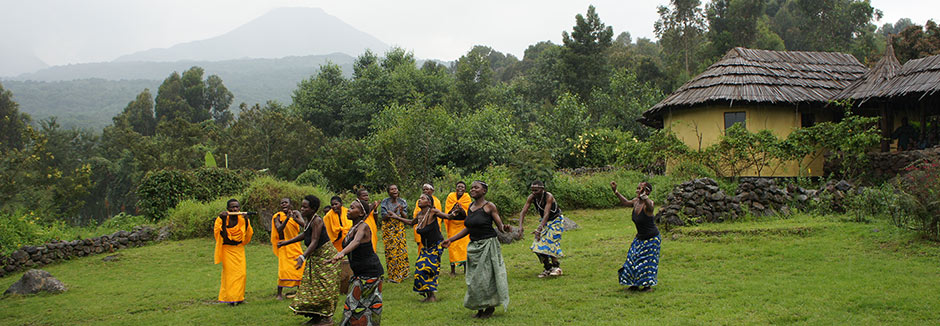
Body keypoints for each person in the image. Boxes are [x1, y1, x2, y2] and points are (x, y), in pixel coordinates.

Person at [441, 181, 510, 319]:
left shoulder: (489, 206)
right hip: (474, 246)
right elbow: (468, 227)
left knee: (486, 278)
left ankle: (489, 307)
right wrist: (451, 239)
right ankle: (479, 307)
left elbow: (500, 226)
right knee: (474, 279)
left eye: (476, 188)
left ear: (484, 191)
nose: (472, 190)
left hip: (488, 245)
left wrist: (505, 229)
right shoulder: (470, 207)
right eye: (471, 188)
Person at [390, 193, 465, 302]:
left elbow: (447, 216)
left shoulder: (433, 212)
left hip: (437, 245)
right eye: (419, 198)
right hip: (425, 247)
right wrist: (396, 217)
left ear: (429, 202)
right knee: (420, 267)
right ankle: (429, 296)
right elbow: (411, 222)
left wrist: (455, 212)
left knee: (427, 268)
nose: (419, 200)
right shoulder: (420, 214)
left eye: (423, 198)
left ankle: (432, 296)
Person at [278, 195, 340, 325]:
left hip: (325, 258)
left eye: (305, 207)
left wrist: (302, 256)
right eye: (302, 206)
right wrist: (286, 242)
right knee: (311, 287)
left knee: (324, 288)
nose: (302, 209)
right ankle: (316, 317)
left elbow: (314, 241)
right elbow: (305, 233)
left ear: (313, 209)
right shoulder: (309, 219)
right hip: (316, 258)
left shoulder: (317, 220)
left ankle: (327, 318)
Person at [328, 199, 384, 325]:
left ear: (360, 213)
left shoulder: (363, 227)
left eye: (353, 208)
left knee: (361, 307)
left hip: (370, 273)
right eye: (350, 207)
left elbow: (356, 241)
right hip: (360, 273)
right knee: (355, 306)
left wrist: (342, 253)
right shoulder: (353, 227)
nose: (348, 210)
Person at [611, 181, 660, 292]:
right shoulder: (636, 202)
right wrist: (616, 192)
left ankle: (647, 286)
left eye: (640, 188)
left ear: (646, 191)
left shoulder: (649, 204)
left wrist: (645, 196)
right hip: (640, 238)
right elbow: (625, 202)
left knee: (646, 262)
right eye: (637, 188)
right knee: (632, 260)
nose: (637, 190)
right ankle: (634, 284)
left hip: (651, 239)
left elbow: (650, 207)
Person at [520, 180, 565, 278]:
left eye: (536, 190)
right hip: (545, 222)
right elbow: (523, 212)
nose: (534, 193)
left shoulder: (549, 197)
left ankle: (556, 267)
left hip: (556, 221)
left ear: (542, 189)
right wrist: (520, 227)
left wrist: (539, 229)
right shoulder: (532, 198)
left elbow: (546, 214)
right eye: (532, 190)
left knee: (550, 242)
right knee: (537, 246)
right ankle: (547, 268)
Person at [213, 199, 254, 305]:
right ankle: (230, 299)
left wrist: (245, 221)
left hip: (239, 249)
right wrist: (223, 221)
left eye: (237, 207)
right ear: (228, 209)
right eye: (232, 207)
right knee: (230, 275)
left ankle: (239, 298)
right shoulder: (221, 219)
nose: (235, 209)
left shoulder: (242, 219)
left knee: (242, 274)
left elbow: (244, 236)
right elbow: (225, 238)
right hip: (227, 249)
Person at [271, 198, 306, 300]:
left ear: (290, 204)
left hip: (295, 244)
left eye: (286, 202)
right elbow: (279, 229)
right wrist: (287, 219)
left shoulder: (296, 213)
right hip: (283, 245)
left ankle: (300, 291)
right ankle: (279, 294)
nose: (284, 204)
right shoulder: (277, 216)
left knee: (300, 267)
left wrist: (294, 218)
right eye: (282, 203)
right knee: (284, 269)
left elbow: (304, 225)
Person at [379, 184, 410, 283]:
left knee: (401, 250)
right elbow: (384, 217)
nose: (394, 191)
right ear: (389, 192)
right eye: (392, 189)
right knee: (391, 251)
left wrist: (400, 211)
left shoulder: (403, 202)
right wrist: (393, 212)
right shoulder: (385, 202)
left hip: (399, 228)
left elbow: (405, 217)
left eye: (396, 189)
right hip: (389, 229)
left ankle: (403, 273)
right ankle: (393, 275)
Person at [443, 181, 472, 275]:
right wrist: (454, 209)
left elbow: (468, 214)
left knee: (464, 247)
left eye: (462, 187)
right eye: (458, 187)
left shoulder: (467, 198)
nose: (460, 188)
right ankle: (452, 270)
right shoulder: (451, 197)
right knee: (452, 246)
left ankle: (466, 269)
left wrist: (461, 210)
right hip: (453, 225)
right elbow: (447, 213)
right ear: (455, 188)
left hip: (463, 225)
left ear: (465, 189)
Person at [413, 183, 442, 250]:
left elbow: (439, 218)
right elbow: (415, 217)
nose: (425, 191)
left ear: (432, 190)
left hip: (433, 234)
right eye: (424, 189)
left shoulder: (436, 201)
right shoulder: (419, 201)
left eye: (427, 189)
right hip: (421, 231)